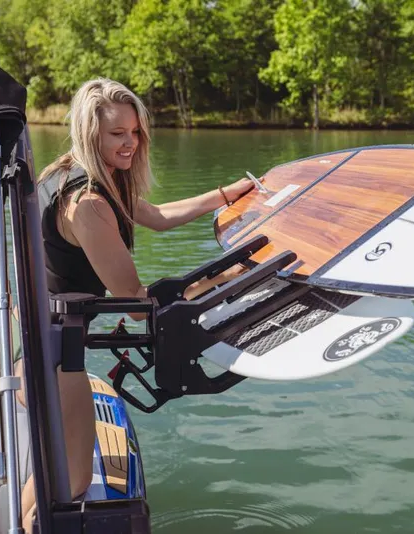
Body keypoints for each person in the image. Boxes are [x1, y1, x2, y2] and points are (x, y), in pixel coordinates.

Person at [15, 78, 256, 532]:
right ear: (92, 134)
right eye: (116, 134)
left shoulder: (71, 173)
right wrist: (234, 275)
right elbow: (134, 303)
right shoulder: (87, 203)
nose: (130, 143)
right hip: (49, 352)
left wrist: (227, 195)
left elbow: (159, 216)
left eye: (135, 131)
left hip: (30, 333)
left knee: (52, 474)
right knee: (67, 484)